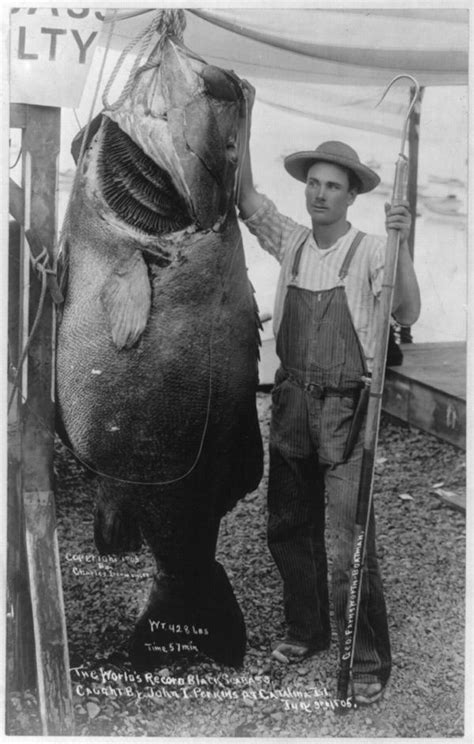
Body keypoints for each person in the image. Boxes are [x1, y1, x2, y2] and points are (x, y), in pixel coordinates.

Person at [237, 82, 421, 706]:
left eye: (332, 186)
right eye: (313, 183)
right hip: (290, 402)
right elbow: (247, 199)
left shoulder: (371, 251)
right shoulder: (289, 241)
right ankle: (307, 629)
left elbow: (408, 306)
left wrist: (404, 244)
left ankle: (366, 659)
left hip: (347, 409)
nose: (319, 193)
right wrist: (245, 115)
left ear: (351, 195)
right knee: (288, 527)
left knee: (349, 544)